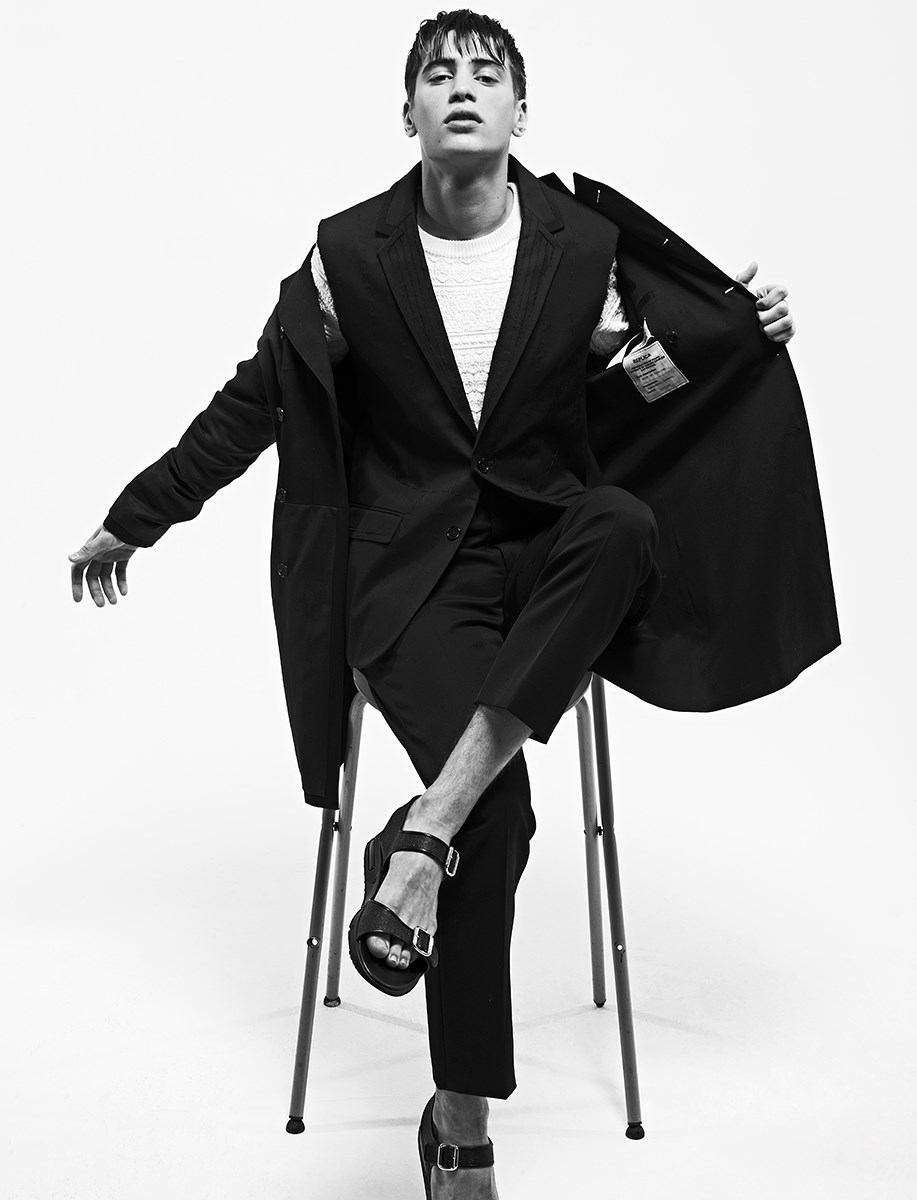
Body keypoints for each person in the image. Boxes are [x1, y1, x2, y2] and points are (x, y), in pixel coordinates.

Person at [69, 10, 838, 1198]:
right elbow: (257, 399)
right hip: (411, 580)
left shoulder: (579, 245)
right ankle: (461, 1121)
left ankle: (421, 828)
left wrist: (734, 332)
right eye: (438, 75)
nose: (462, 88)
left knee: (621, 521)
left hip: (545, 562)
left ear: (520, 112)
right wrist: (140, 513)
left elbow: (640, 373)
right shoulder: (347, 256)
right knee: (502, 816)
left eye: (486, 74)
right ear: (409, 114)